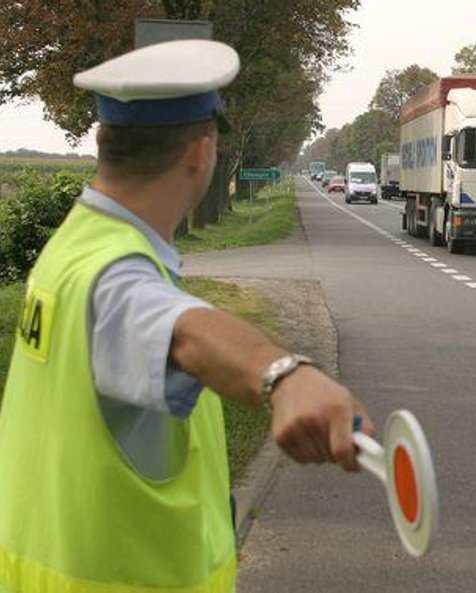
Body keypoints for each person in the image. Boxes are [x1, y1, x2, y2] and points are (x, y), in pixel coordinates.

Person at [0, 40, 374, 592]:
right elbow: (181, 333)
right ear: (202, 153)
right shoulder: (116, 275)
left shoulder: (72, 247)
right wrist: (283, 375)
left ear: (103, 141)